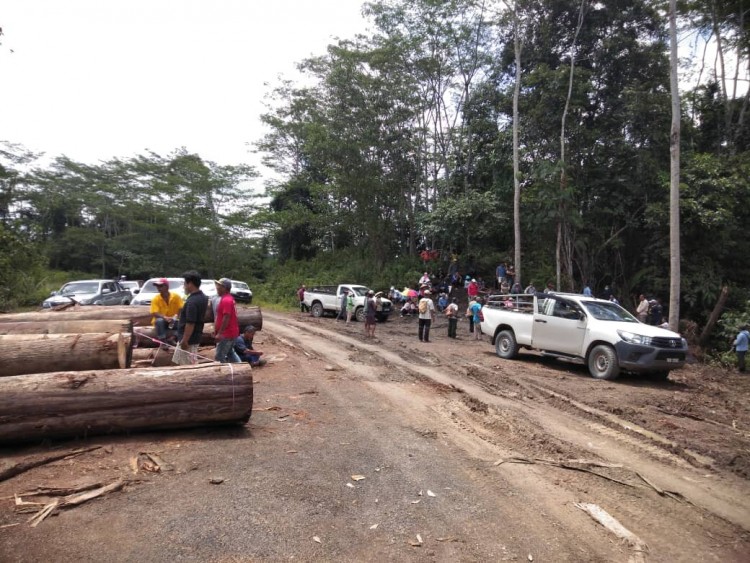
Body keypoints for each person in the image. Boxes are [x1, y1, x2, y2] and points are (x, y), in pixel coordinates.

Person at [173, 270, 209, 366]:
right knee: (181, 361)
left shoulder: (192, 302)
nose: (184, 286)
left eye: (185, 283)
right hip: (195, 336)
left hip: (189, 339)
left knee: (188, 365)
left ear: (190, 284)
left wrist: (185, 340)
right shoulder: (203, 297)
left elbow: (190, 323)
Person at [149, 277, 183, 348]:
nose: (159, 288)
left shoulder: (176, 297)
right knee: (159, 321)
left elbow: (181, 308)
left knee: (184, 324)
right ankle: (163, 342)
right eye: (157, 286)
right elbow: (154, 312)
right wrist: (165, 317)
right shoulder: (156, 299)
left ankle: (173, 338)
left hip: (174, 320)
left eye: (161, 286)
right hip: (162, 322)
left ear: (167, 286)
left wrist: (176, 317)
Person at [213, 278, 241, 363]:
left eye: (219, 286)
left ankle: (225, 374)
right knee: (230, 352)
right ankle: (241, 368)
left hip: (227, 333)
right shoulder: (227, 298)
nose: (217, 287)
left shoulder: (226, 300)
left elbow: (226, 317)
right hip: (230, 332)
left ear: (224, 288)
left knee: (219, 357)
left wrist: (220, 333)